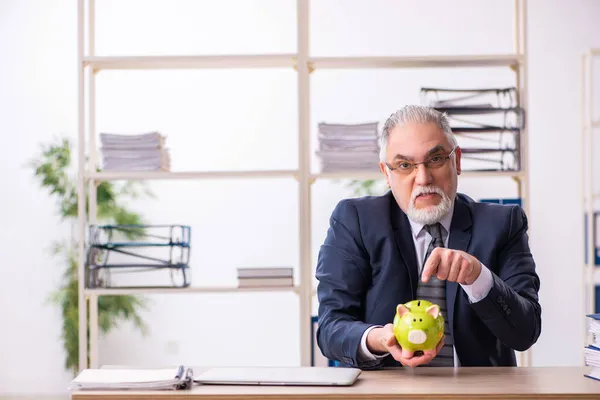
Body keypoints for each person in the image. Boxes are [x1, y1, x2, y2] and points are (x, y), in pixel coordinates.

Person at [315, 105, 541, 370]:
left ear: (456, 160)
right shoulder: (355, 221)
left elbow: (526, 332)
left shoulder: (503, 223)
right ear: (386, 173)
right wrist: (380, 338)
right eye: (404, 165)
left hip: (477, 393)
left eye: (435, 160)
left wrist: (478, 278)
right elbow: (331, 328)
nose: (422, 178)